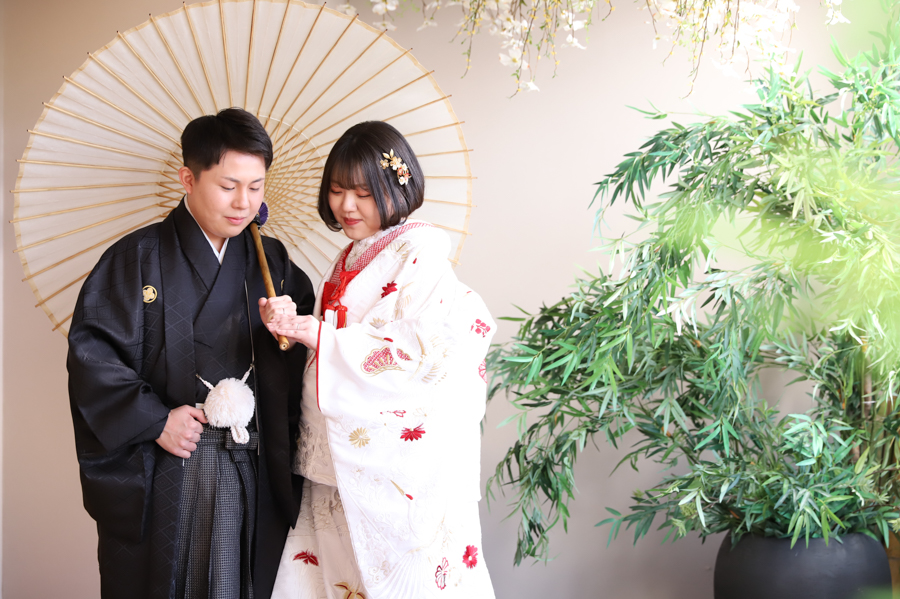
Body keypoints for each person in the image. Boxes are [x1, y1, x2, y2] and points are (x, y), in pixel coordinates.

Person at [67, 107, 315, 599]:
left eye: (256, 187)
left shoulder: (276, 266)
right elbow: (93, 358)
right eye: (228, 186)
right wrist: (154, 420)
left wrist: (290, 329)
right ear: (188, 178)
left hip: (251, 462)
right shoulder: (136, 259)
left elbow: (302, 372)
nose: (244, 202)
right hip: (168, 462)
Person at [266, 121, 496, 599]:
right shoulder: (350, 256)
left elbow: (418, 354)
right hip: (337, 450)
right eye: (336, 191)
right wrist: (292, 327)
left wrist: (319, 336)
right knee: (332, 574)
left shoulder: (421, 256)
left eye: (363, 193)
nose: (346, 206)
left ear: (398, 184)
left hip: (388, 459)